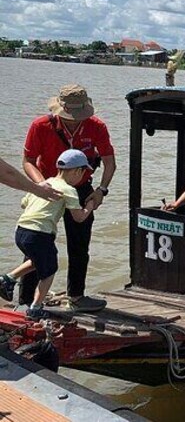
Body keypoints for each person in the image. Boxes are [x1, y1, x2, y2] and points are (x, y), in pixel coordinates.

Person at [21, 84, 116, 313]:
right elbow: (28, 160)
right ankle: (25, 301)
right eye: (69, 116)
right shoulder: (41, 125)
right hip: (47, 186)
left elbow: (110, 162)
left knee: (80, 244)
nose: (73, 120)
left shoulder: (97, 127)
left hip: (81, 188)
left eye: (78, 116)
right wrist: (42, 184)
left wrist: (101, 190)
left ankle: (76, 296)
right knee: (36, 243)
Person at [1, 150, 96, 319]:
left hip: (21, 231)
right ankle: (36, 308)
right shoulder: (69, 190)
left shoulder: (44, 184)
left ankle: (8, 278)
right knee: (50, 271)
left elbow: (24, 203)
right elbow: (79, 217)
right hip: (40, 233)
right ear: (76, 171)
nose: (82, 177)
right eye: (83, 173)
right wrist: (90, 204)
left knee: (38, 261)